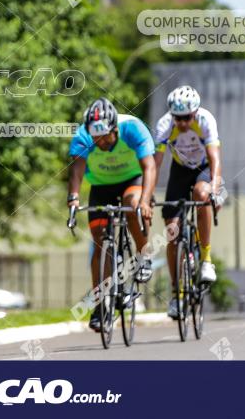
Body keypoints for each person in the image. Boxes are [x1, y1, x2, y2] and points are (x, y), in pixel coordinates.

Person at [67, 98, 156, 332]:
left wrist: (146, 201)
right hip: (101, 186)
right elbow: (76, 171)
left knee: (132, 203)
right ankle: (100, 306)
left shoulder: (133, 128)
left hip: (132, 179)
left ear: (115, 128)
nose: (101, 142)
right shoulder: (83, 135)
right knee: (99, 243)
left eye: (105, 137)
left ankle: (143, 255)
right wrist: (73, 199)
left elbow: (149, 167)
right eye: (96, 138)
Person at [153, 85, 223, 320]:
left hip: (202, 168)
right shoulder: (164, 125)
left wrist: (215, 189)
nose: (182, 123)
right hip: (180, 170)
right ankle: (177, 294)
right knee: (172, 231)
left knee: (202, 197)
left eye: (186, 118)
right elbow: (156, 162)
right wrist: (148, 193)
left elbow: (215, 158)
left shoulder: (205, 120)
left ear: (195, 113)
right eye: (178, 118)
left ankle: (206, 259)